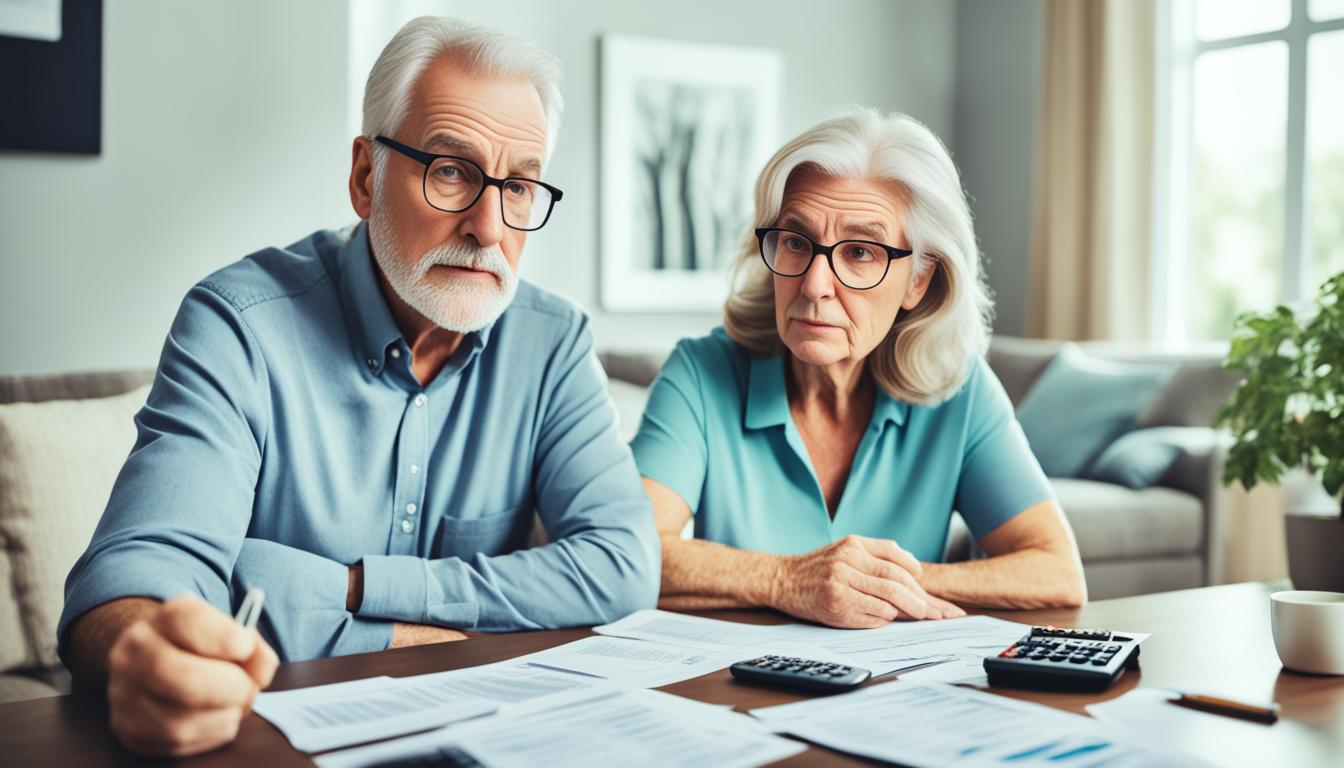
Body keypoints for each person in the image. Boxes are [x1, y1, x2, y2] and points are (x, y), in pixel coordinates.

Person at [57, 17, 659, 757]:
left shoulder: (552, 341)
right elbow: (139, 573)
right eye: (450, 171)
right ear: (365, 176)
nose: (487, 226)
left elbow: (623, 567)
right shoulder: (238, 326)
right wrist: (137, 652)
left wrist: (350, 588)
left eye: (520, 185)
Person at [632, 108, 1086, 630]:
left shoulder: (961, 391)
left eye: (860, 252)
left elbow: (1057, 571)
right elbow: (629, 550)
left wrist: (868, 584)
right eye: (797, 242)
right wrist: (788, 581)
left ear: (919, 280)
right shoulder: (700, 372)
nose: (813, 285)